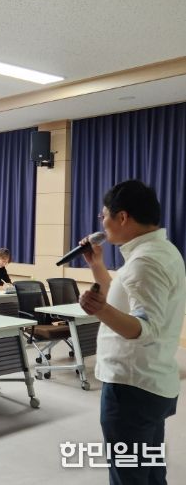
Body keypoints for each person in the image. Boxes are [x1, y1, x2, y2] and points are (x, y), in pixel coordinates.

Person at [77, 180, 185, 484]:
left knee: (129, 476)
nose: (102, 223)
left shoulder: (145, 261)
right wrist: (97, 265)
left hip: (132, 387)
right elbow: (125, 300)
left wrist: (100, 310)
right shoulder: (160, 251)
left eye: (104, 216)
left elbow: (146, 328)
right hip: (149, 381)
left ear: (122, 217)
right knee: (150, 472)